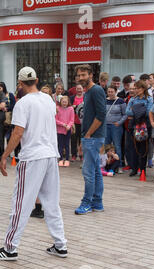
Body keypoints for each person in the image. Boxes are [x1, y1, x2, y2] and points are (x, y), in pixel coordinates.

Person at [0, 66, 67, 261]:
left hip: (32, 156)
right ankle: (60, 244)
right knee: (51, 202)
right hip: (50, 154)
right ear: (37, 80)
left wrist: (5, 155)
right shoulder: (48, 100)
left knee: (20, 203)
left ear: (20, 83)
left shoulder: (23, 103)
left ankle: (10, 248)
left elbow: (18, 132)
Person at [75, 64, 107, 215]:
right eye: (79, 75)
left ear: (91, 75)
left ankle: (86, 203)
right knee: (95, 172)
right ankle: (97, 203)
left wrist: (88, 135)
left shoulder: (96, 90)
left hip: (93, 137)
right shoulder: (88, 92)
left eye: (83, 75)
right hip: (91, 137)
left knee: (88, 172)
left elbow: (101, 115)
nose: (81, 78)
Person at [126, 80, 153, 177]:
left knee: (144, 148)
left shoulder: (149, 99)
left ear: (143, 88)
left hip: (145, 126)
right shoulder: (132, 99)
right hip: (134, 126)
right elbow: (127, 112)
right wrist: (140, 111)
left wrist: (135, 111)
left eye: (138, 88)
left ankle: (142, 170)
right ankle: (134, 168)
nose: (136, 90)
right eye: (135, 88)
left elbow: (148, 112)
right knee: (134, 147)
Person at [105, 86, 127, 171]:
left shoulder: (120, 101)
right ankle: (107, 164)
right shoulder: (105, 100)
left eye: (112, 91)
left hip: (116, 126)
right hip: (106, 125)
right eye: (109, 91)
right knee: (106, 145)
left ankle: (119, 165)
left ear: (115, 92)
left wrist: (119, 122)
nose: (110, 93)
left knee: (117, 145)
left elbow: (125, 114)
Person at [56, 96, 74, 167]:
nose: (64, 103)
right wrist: (63, 124)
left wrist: (69, 126)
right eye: (63, 102)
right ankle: (60, 159)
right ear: (60, 102)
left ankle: (67, 159)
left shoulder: (71, 109)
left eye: (65, 102)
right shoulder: (57, 108)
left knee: (67, 145)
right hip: (60, 130)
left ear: (68, 102)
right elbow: (56, 119)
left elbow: (72, 120)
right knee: (60, 145)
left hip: (68, 130)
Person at [70, 84, 84, 162]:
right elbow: (68, 107)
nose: (79, 90)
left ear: (83, 89)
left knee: (82, 140)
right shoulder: (72, 98)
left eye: (80, 89)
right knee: (74, 139)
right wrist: (72, 106)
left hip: (83, 122)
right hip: (74, 122)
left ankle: (81, 155)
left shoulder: (86, 97)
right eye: (77, 89)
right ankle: (74, 155)